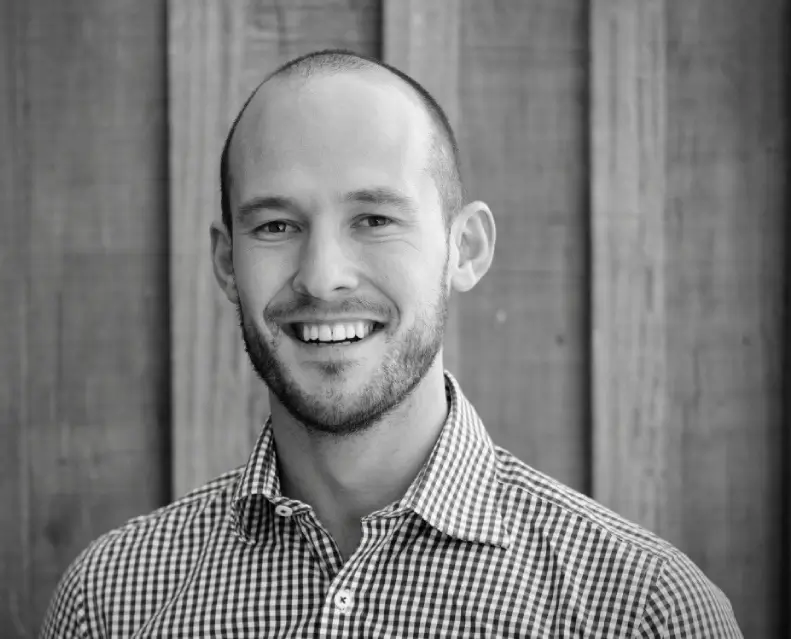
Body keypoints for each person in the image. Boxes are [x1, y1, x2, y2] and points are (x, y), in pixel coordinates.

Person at [41, 49, 742, 638]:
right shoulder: (112, 604)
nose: (321, 278)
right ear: (227, 262)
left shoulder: (644, 610)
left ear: (463, 248)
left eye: (373, 218)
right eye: (276, 226)